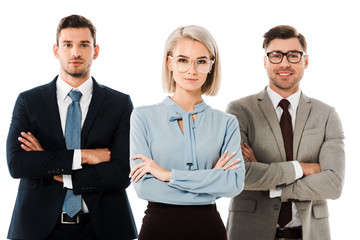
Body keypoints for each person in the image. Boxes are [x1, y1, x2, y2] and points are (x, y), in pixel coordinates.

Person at [6, 14, 137, 240]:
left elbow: (121, 172)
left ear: (95, 51)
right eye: (68, 44)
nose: (75, 52)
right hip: (38, 228)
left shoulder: (119, 103)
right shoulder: (29, 101)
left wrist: (49, 166)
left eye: (84, 45)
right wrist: (83, 156)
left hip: (104, 228)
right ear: (56, 50)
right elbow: (18, 164)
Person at [226, 25, 345, 240]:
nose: (284, 63)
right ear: (265, 62)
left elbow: (334, 184)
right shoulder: (240, 111)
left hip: (309, 233)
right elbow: (239, 175)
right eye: (275, 55)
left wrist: (273, 186)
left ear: (305, 61)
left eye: (293, 55)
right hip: (250, 231)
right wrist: (303, 168)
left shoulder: (326, 115)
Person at [129, 25, 245, 240]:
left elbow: (234, 184)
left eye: (201, 61)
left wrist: (167, 175)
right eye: (183, 60)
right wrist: (211, 180)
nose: (192, 70)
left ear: (211, 66)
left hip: (208, 228)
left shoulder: (226, 122)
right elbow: (144, 188)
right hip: (158, 227)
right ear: (169, 62)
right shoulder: (142, 117)